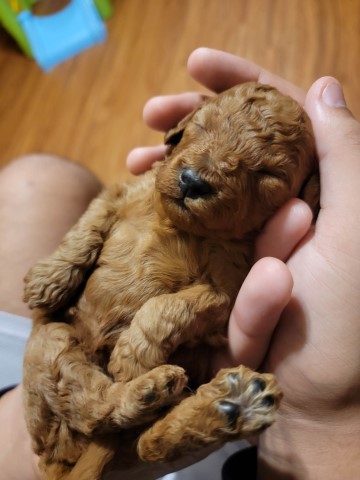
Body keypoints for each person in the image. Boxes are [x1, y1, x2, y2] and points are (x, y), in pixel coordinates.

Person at [0, 47, 359, 479]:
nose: (199, 174)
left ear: (305, 198)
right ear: (182, 130)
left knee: (37, 178)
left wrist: (332, 417)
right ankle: (110, 415)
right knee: (50, 336)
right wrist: (69, 259)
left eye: (266, 178)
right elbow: (109, 204)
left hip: (138, 396)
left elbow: (217, 300)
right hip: (63, 353)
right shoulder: (149, 185)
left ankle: (141, 429)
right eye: (205, 128)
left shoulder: (236, 255)